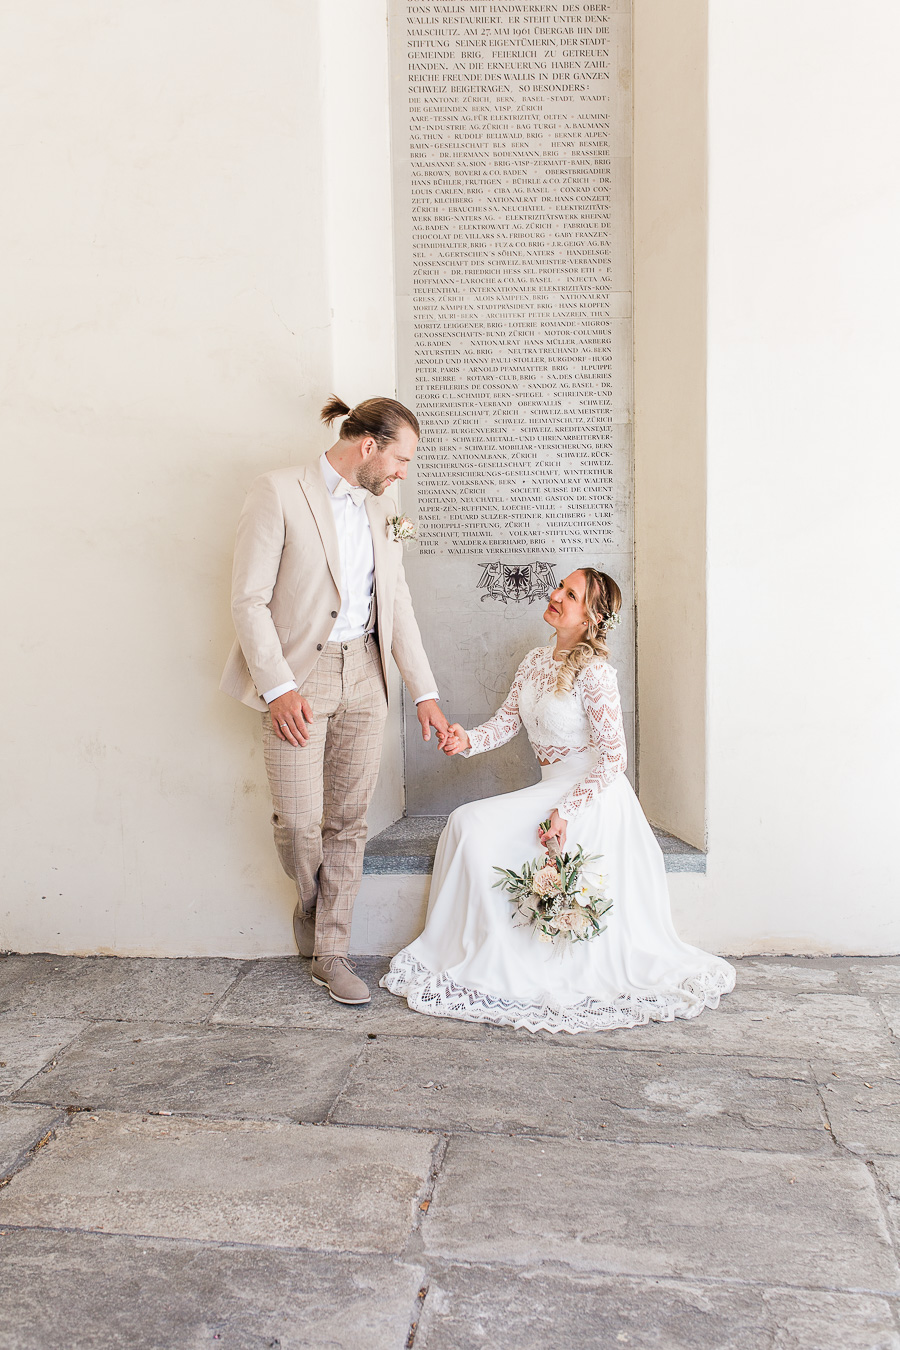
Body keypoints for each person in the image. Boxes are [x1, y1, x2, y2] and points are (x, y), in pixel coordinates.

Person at [382, 568, 735, 1032]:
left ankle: (510, 958)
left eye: (570, 595)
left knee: (471, 823)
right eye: (560, 588)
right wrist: (466, 739)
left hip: (592, 798)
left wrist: (566, 810)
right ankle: (486, 951)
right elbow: (507, 722)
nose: (555, 596)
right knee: (467, 822)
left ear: (590, 616)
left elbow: (614, 760)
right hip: (550, 788)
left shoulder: (596, 674)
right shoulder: (534, 661)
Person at [221, 396, 448, 1006]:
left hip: (366, 675)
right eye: (400, 459)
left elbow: (396, 602)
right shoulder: (278, 491)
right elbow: (248, 601)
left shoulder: (384, 505)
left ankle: (331, 951)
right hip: (299, 677)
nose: (403, 473)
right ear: (367, 446)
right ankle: (317, 910)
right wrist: (280, 688)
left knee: (349, 820)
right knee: (298, 821)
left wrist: (423, 692)